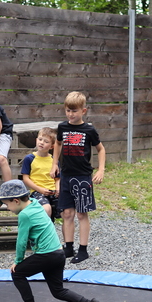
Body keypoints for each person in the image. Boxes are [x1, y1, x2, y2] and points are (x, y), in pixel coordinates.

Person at [0, 179, 109, 302]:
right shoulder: (34, 203)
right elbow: (21, 199)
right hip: (58, 254)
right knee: (58, 291)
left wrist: (18, 261)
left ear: (16, 201)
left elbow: (21, 241)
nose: (7, 208)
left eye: (7, 204)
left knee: (17, 273)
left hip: (46, 256)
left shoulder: (24, 215)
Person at [50, 91, 106, 264]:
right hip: (66, 176)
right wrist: (54, 164)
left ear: (83, 111)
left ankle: (83, 250)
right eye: (68, 110)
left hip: (82, 177)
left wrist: (101, 170)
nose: (70, 114)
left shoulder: (89, 130)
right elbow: (57, 143)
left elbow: (100, 149)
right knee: (67, 213)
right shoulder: (62, 127)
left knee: (81, 214)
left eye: (74, 111)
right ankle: (68, 247)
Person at [20, 127, 59, 218]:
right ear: (36, 140)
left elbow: (57, 179)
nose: (42, 142)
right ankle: (44, 227)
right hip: (37, 191)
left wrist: (58, 189)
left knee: (67, 210)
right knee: (46, 209)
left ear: (52, 146)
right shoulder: (30, 158)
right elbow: (25, 178)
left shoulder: (54, 160)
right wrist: (39, 189)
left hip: (53, 191)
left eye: (46, 141)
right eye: (40, 139)